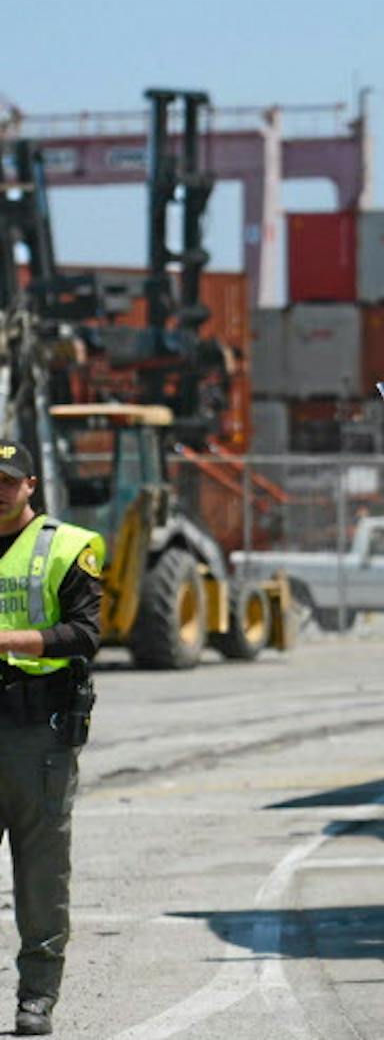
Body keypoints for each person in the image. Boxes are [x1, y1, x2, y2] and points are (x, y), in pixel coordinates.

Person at [0, 443, 103, 1037]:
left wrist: (9, 640)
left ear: (31, 485)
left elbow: (84, 634)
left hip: (39, 735)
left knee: (40, 874)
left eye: (8, 481)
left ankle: (36, 996)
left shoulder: (66, 547)